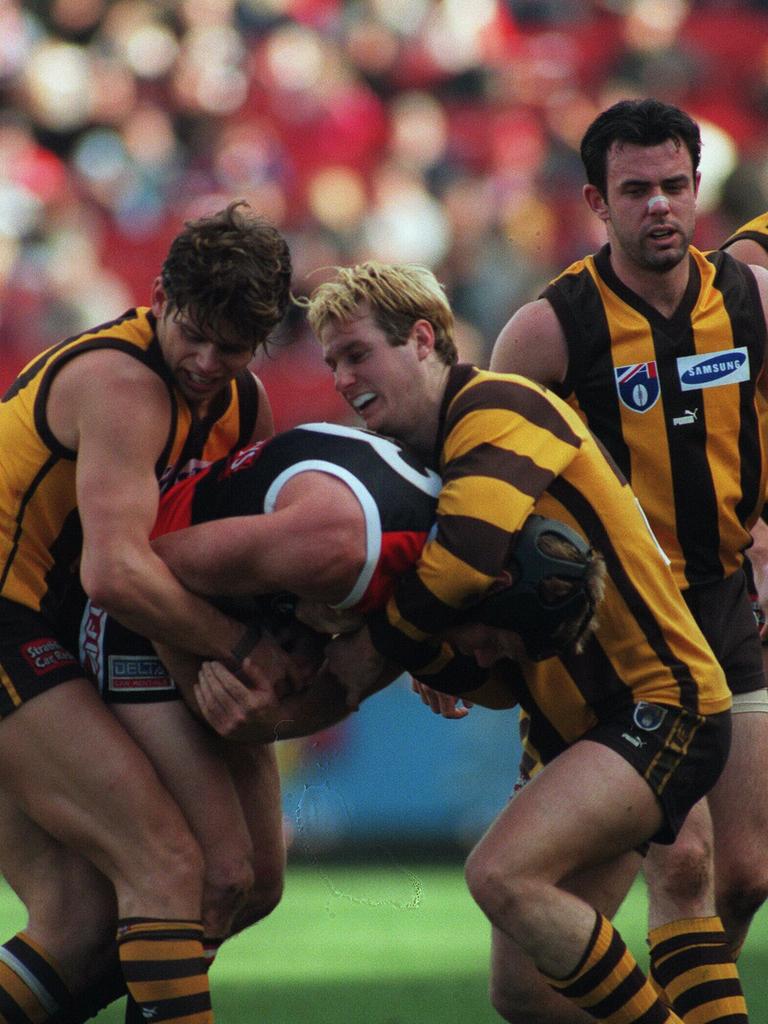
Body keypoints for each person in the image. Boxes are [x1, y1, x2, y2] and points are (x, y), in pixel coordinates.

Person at [286, 258, 746, 1024]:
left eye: (357, 352)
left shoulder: (496, 406)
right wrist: (434, 651)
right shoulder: (424, 470)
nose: (340, 377)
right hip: (578, 730)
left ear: (423, 339)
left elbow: (463, 561)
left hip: (659, 701)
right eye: (331, 362)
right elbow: (498, 676)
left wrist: (384, 644)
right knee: (525, 991)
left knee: (501, 874)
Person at [487, 98, 768, 1020]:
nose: (660, 207)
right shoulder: (549, 329)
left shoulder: (750, 300)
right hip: (617, 628)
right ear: (596, 204)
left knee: (747, 873)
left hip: (726, 602)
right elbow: (483, 473)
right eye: (636, 190)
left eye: (675, 187)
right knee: (544, 978)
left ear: (700, 190)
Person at [0, 199, 293, 1024]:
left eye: (229, 348)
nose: (204, 360)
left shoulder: (244, 405)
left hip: (52, 629)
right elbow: (117, 574)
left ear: (261, 340)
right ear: (159, 295)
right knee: (172, 867)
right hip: (13, 618)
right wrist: (241, 649)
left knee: (91, 919)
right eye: (191, 332)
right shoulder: (119, 382)